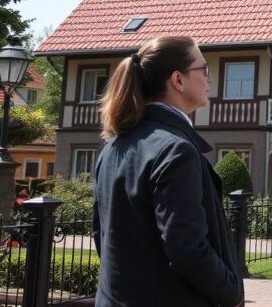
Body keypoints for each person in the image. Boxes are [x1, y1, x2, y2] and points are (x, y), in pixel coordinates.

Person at [92, 36, 244, 307]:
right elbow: (187, 248)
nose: (210, 78)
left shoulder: (112, 147)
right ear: (178, 80)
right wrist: (231, 293)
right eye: (204, 68)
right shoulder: (177, 150)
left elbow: (102, 236)